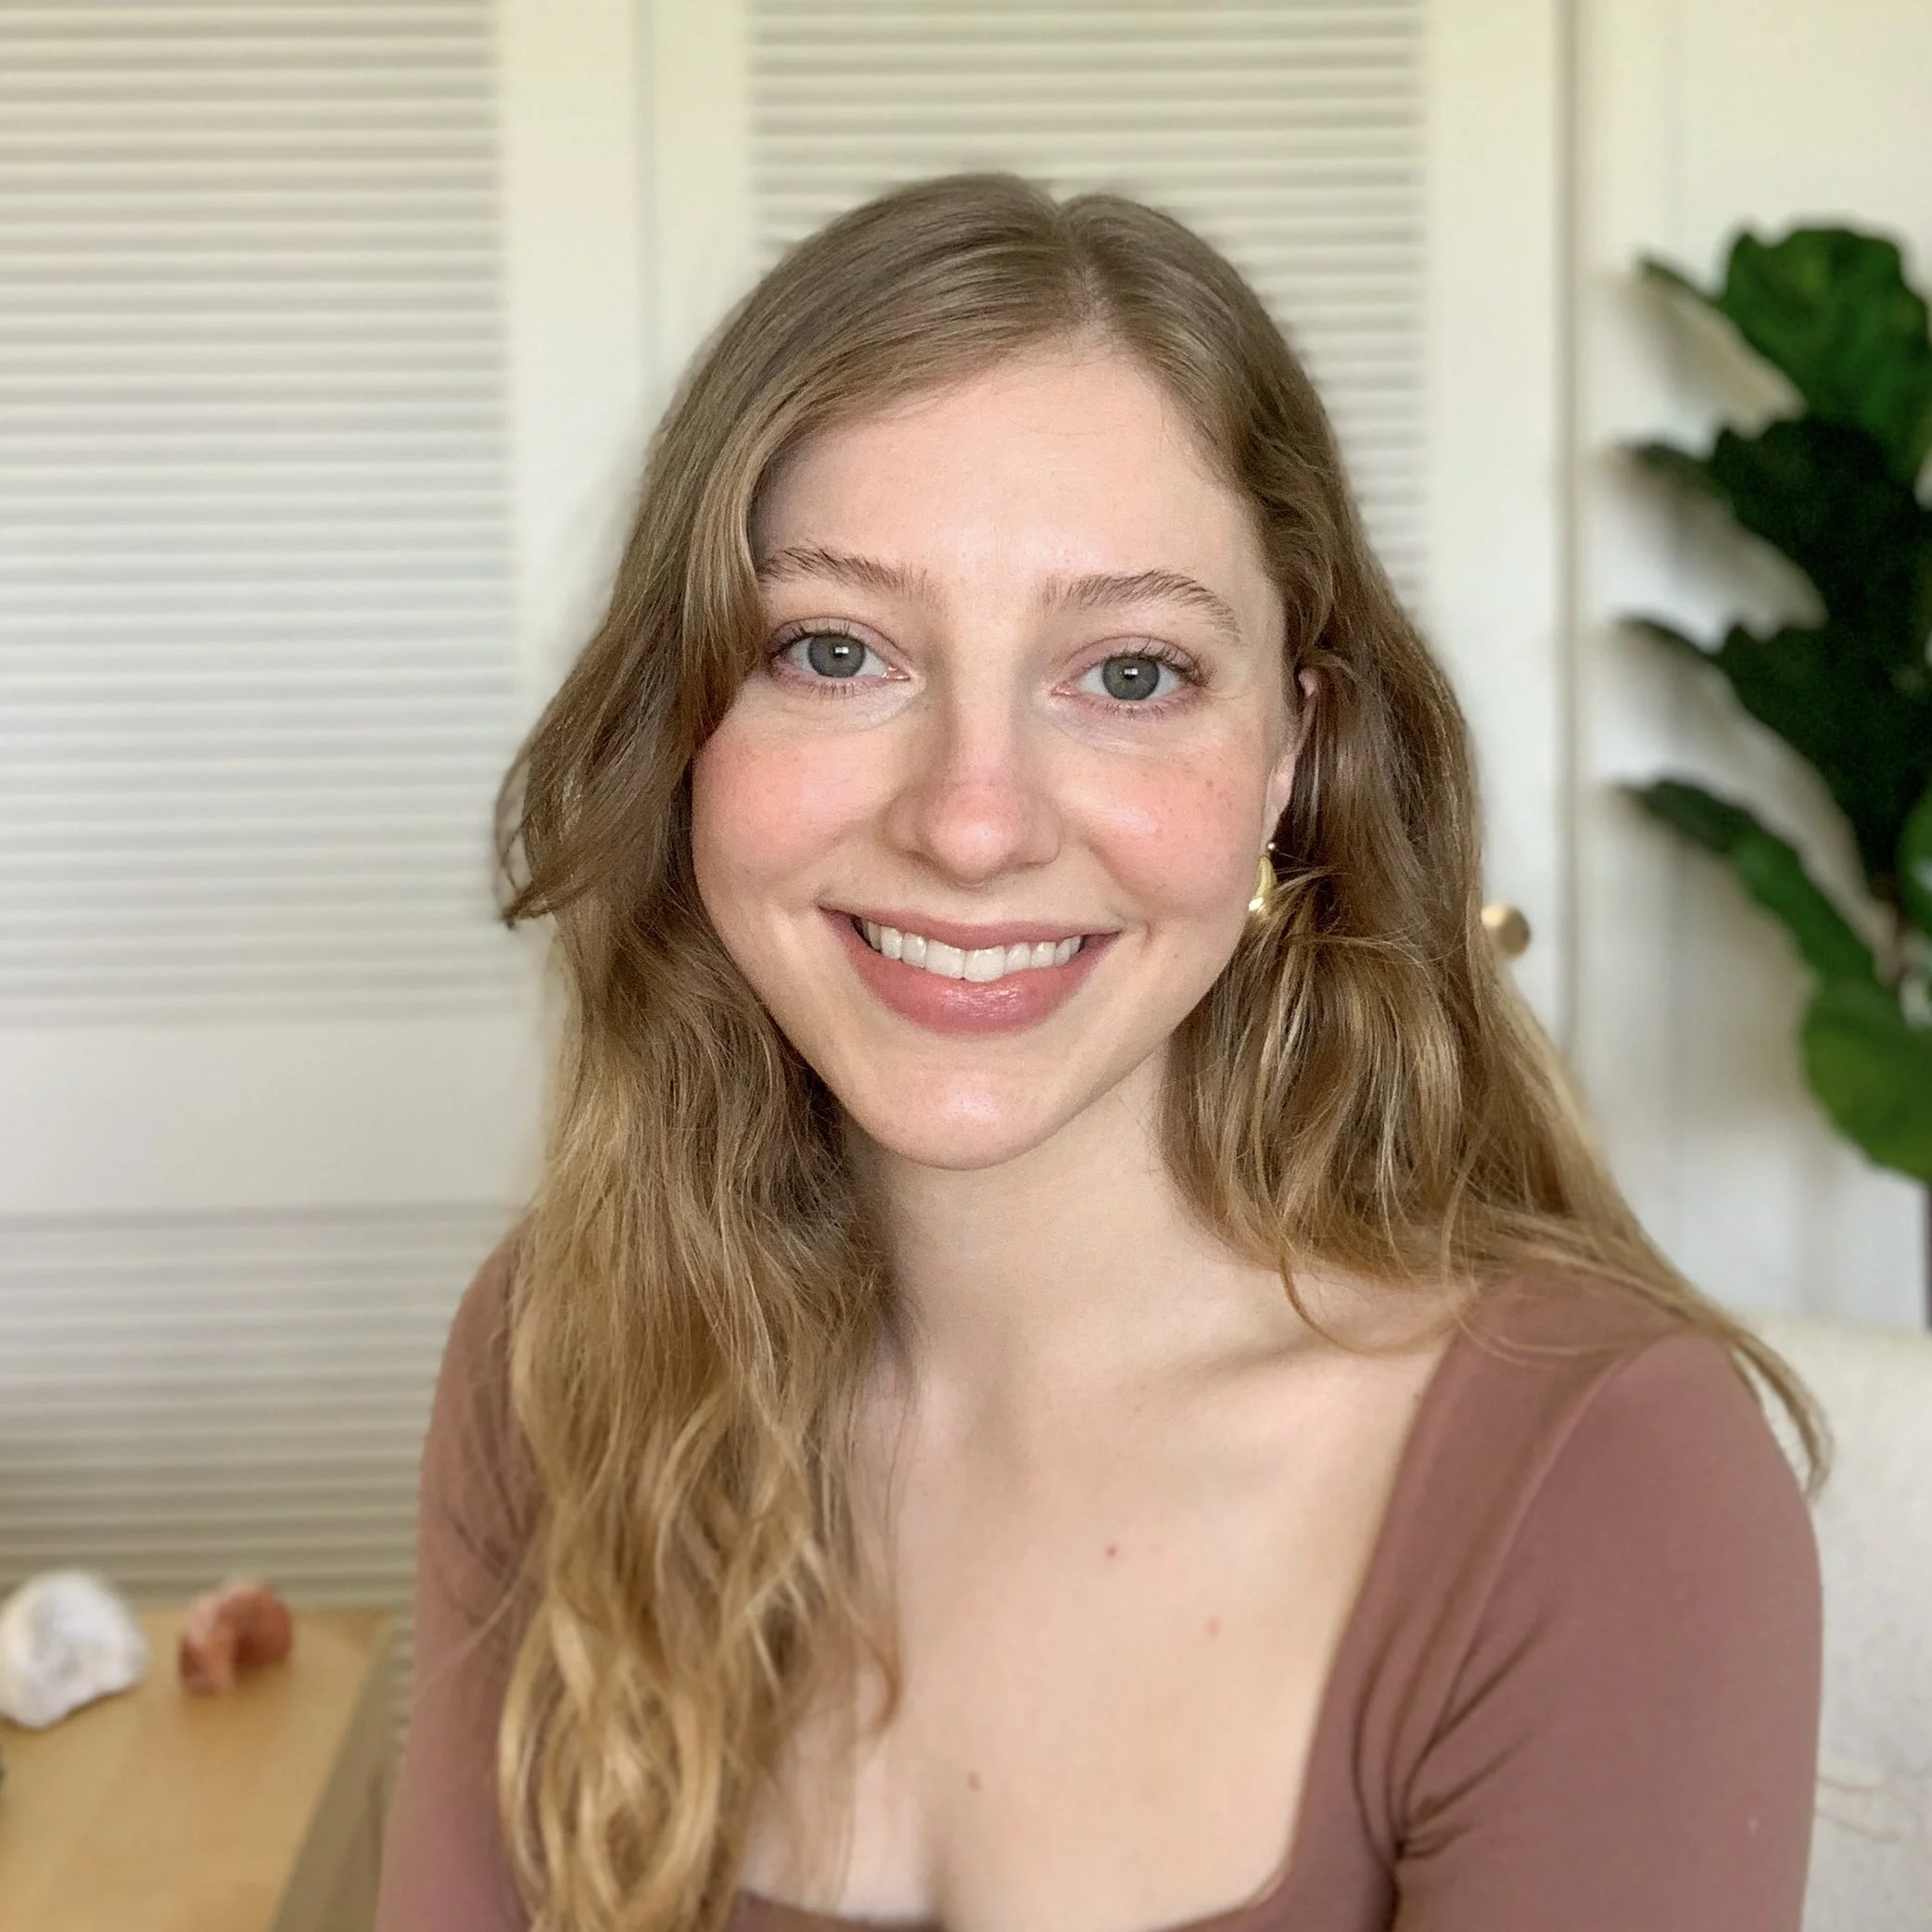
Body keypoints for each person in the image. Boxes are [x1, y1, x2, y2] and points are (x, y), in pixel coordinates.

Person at [373, 173, 1828, 1932]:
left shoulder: (1605, 1481)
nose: (974, 825)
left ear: (1295, 755)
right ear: (682, 732)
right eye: (836, 650)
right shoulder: (560, 1361)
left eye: (1130, 674)